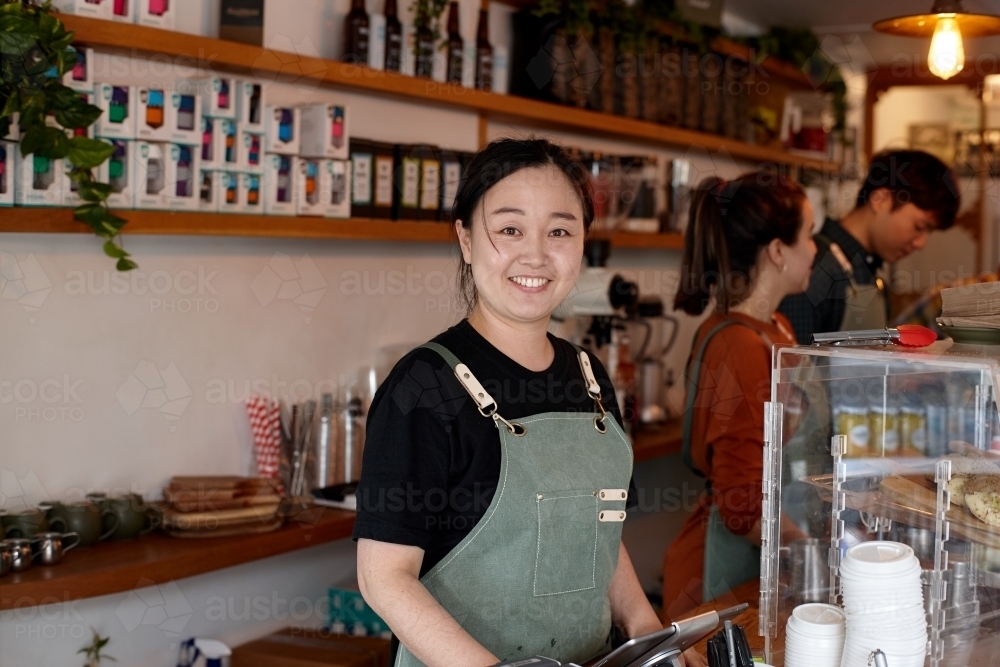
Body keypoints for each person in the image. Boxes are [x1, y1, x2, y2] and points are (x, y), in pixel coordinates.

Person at [354, 138, 706, 667]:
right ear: (467, 240)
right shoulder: (424, 387)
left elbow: (598, 534)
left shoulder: (590, 376)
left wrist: (647, 631)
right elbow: (383, 578)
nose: (536, 255)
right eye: (510, 229)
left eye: (560, 230)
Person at [662, 174, 817, 617]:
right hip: (720, 580)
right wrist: (811, 551)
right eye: (808, 235)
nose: (815, 249)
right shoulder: (740, 346)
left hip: (765, 559)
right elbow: (740, 506)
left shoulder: (777, 329)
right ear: (776, 251)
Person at [779, 149, 959, 343]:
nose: (921, 243)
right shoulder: (817, 268)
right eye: (920, 227)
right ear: (880, 200)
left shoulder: (872, 275)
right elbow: (789, 365)